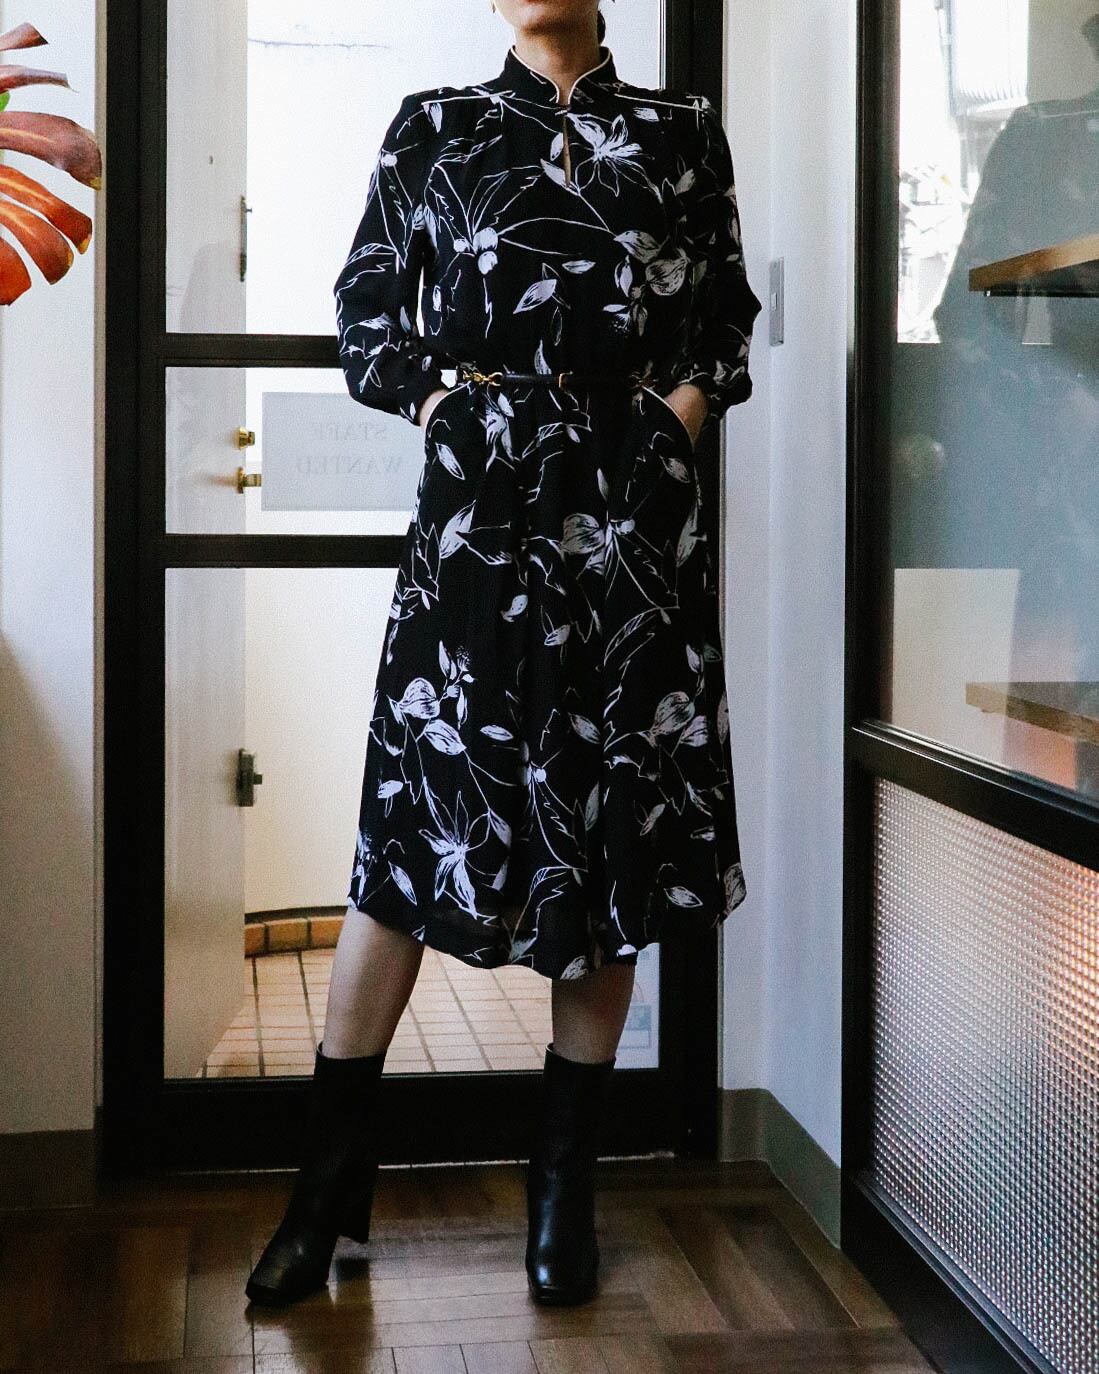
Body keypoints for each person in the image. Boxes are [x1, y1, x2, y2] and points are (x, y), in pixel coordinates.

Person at [245, 0, 762, 1311]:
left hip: (630, 542)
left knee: (612, 839)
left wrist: (671, 426)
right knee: (412, 835)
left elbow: (721, 321)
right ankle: (326, 1184)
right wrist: (440, 405)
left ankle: (561, 1189)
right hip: (476, 536)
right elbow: (367, 314)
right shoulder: (435, 126)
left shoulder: (681, 132)